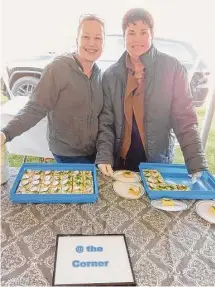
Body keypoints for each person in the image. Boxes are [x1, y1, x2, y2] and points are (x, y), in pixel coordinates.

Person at [96, 8, 207, 180]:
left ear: (152, 34)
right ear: (124, 36)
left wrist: (196, 162)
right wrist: (104, 156)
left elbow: (184, 118)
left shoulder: (172, 68)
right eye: (131, 32)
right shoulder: (111, 75)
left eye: (143, 32)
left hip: (157, 162)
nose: (137, 39)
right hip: (121, 162)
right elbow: (106, 123)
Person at [0, 14, 105, 163]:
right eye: (86, 37)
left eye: (98, 38)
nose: (92, 43)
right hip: (67, 154)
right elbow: (35, 107)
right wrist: (5, 133)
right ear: (77, 40)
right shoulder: (58, 68)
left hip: (93, 153)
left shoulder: (100, 75)